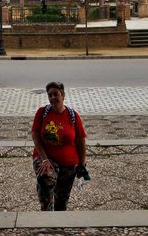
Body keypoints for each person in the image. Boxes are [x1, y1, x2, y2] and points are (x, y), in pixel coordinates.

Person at [30, 81, 89, 211]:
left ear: (63, 95)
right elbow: (35, 136)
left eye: (56, 94)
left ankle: (59, 222)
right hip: (46, 158)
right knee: (46, 179)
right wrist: (44, 159)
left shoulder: (73, 116)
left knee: (62, 197)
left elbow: (81, 141)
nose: (52, 98)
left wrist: (81, 165)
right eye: (49, 95)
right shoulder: (42, 113)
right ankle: (47, 215)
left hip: (69, 163)